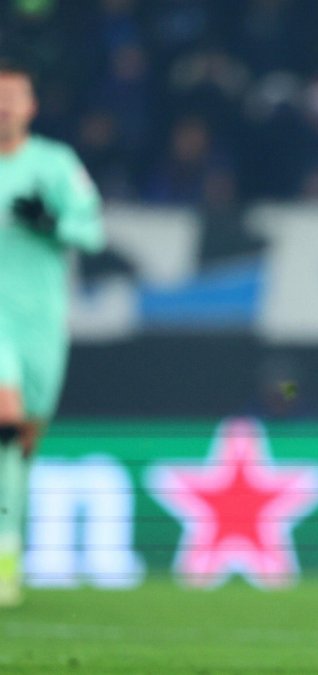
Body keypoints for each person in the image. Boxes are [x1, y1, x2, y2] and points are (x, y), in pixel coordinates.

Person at [0, 57, 105, 606]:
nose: (3, 105)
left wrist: (52, 224)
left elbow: (92, 233)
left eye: (13, 95)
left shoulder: (55, 163)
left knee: (20, 448)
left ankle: (6, 555)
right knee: (4, 413)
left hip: (41, 321)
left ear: (31, 106)